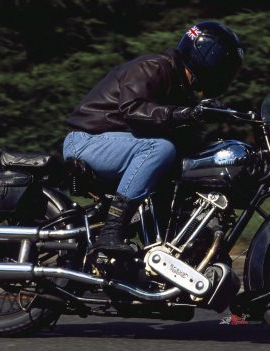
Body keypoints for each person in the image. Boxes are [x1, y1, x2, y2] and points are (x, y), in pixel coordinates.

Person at [63, 21, 244, 263]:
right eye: (225, 66)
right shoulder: (155, 67)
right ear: (210, 58)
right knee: (160, 148)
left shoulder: (181, 86)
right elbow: (133, 109)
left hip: (115, 144)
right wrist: (185, 114)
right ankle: (111, 233)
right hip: (88, 140)